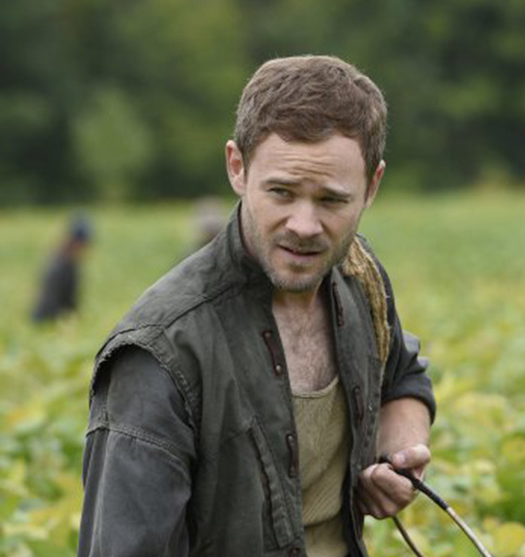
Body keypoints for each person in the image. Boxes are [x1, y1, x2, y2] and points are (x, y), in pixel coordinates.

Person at [77, 55, 436, 557]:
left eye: (331, 200)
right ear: (237, 168)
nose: (304, 226)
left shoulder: (359, 277)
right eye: (282, 192)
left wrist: (400, 454)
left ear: (371, 186)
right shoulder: (160, 353)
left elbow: (403, 373)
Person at [31, 215, 93, 323]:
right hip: (47, 321)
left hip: (49, 319)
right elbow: (55, 302)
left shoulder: (64, 260)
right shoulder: (62, 266)